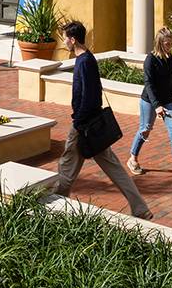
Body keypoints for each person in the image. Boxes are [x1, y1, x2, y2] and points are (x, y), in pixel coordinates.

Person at [53, 20, 151, 219]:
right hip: (91, 123)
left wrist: (78, 123)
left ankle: (53, 203)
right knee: (112, 167)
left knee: (66, 165)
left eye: (65, 38)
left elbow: (88, 96)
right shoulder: (87, 59)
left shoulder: (84, 62)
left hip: (84, 125)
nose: (64, 42)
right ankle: (140, 208)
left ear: (73, 40)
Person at [128, 26, 172, 175]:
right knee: (145, 129)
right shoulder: (150, 60)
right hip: (149, 101)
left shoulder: (170, 59)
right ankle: (133, 158)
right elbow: (149, 84)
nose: (170, 46)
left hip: (167, 100)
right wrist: (157, 106)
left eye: (171, 43)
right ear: (160, 43)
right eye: (167, 44)